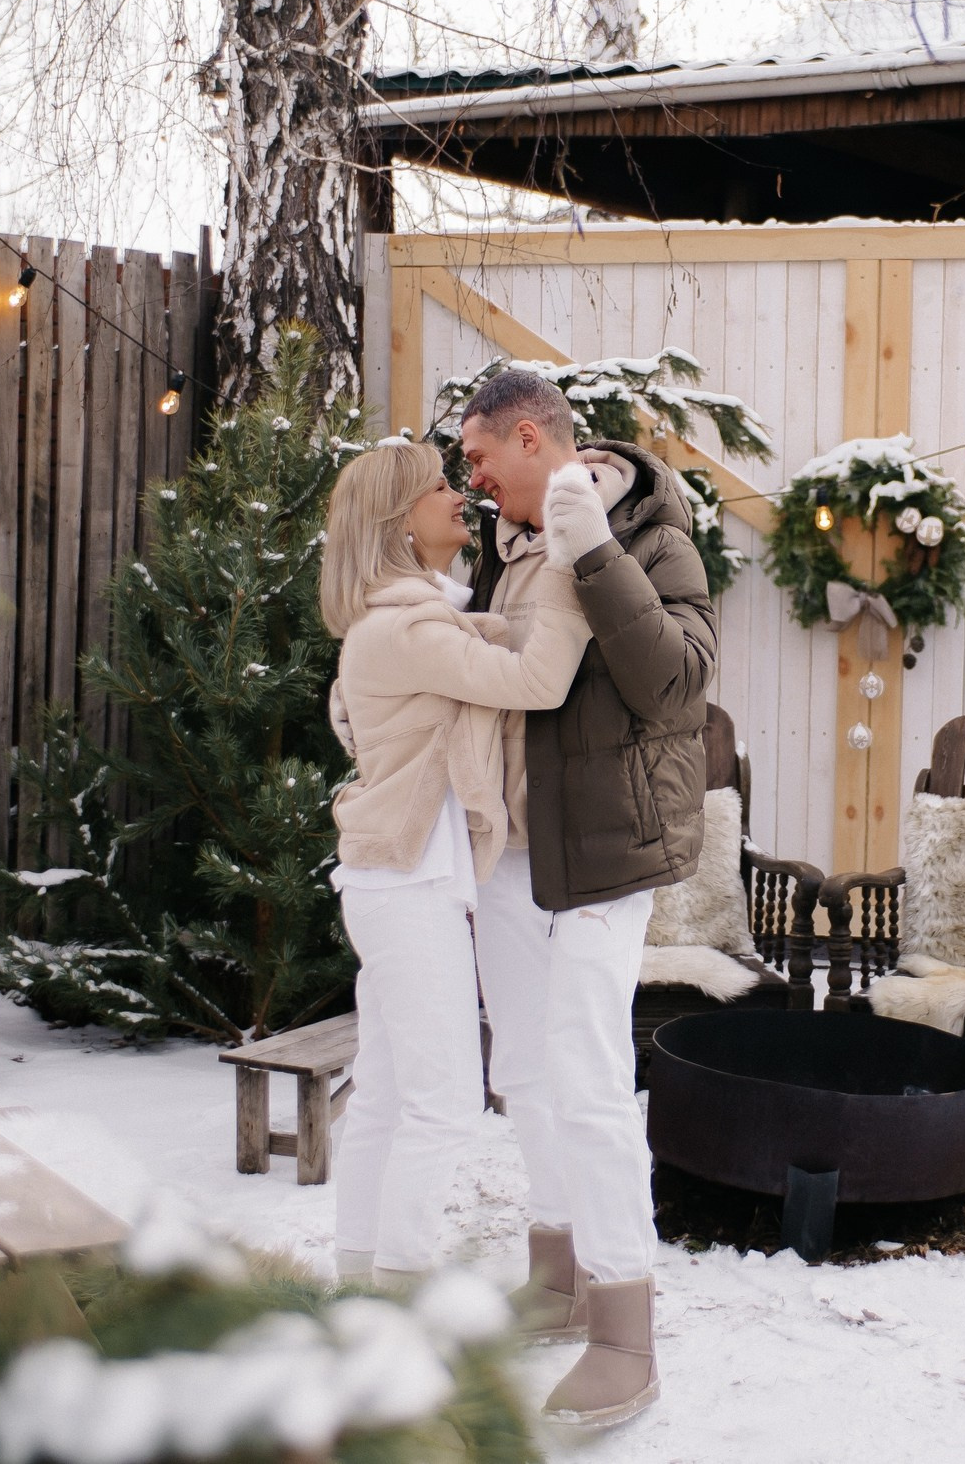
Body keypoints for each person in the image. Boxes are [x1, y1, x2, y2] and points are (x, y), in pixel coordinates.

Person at [455, 367, 716, 1430]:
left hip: (608, 848)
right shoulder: (499, 546)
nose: (471, 479)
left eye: (479, 456)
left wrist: (595, 554)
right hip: (512, 848)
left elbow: (676, 685)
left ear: (531, 437)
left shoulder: (653, 533)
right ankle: (557, 1274)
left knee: (587, 1071)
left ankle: (624, 1330)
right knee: (521, 1064)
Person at [317, 440, 589, 1293]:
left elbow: (470, 643)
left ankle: (359, 1282)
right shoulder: (406, 627)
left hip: (391, 882)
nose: (458, 495)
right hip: (407, 888)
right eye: (439, 487)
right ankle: (397, 1290)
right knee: (442, 1107)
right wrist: (576, 572)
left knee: (385, 1095)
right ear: (400, 520)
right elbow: (537, 681)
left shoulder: (398, 620)